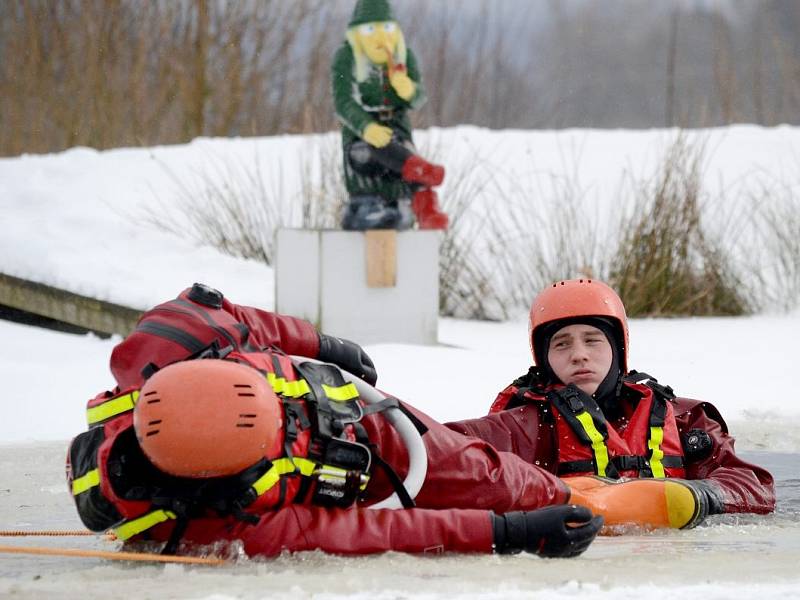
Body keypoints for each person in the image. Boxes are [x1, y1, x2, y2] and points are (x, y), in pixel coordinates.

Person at [66, 283, 601, 558]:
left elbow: (234, 314)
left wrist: (319, 344)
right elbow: (377, 532)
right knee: (494, 491)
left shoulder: (167, 341)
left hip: (354, 405)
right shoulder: (233, 523)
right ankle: (582, 503)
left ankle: (575, 492)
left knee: (489, 476)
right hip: (360, 472)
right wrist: (506, 534)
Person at [447, 278, 776, 530]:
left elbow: (754, 487)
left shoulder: (685, 418)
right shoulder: (527, 424)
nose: (579, 354)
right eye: (562, 344)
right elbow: (443, 452)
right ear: (543, 360)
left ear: (618, 350)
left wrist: (698, 498)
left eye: (592, 340)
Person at [332, 0, 448, 231]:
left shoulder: (404, 56)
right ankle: (416, 170)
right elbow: (342, 101)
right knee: (372, 152)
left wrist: (405, 88)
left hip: (397, 123)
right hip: (361, 132)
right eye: (369, 30)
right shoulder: (346, 57)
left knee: (402, 150)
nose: (379, 37)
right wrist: (366, 127)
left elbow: (419, 97)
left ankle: (427, 208)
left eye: (385, 28)